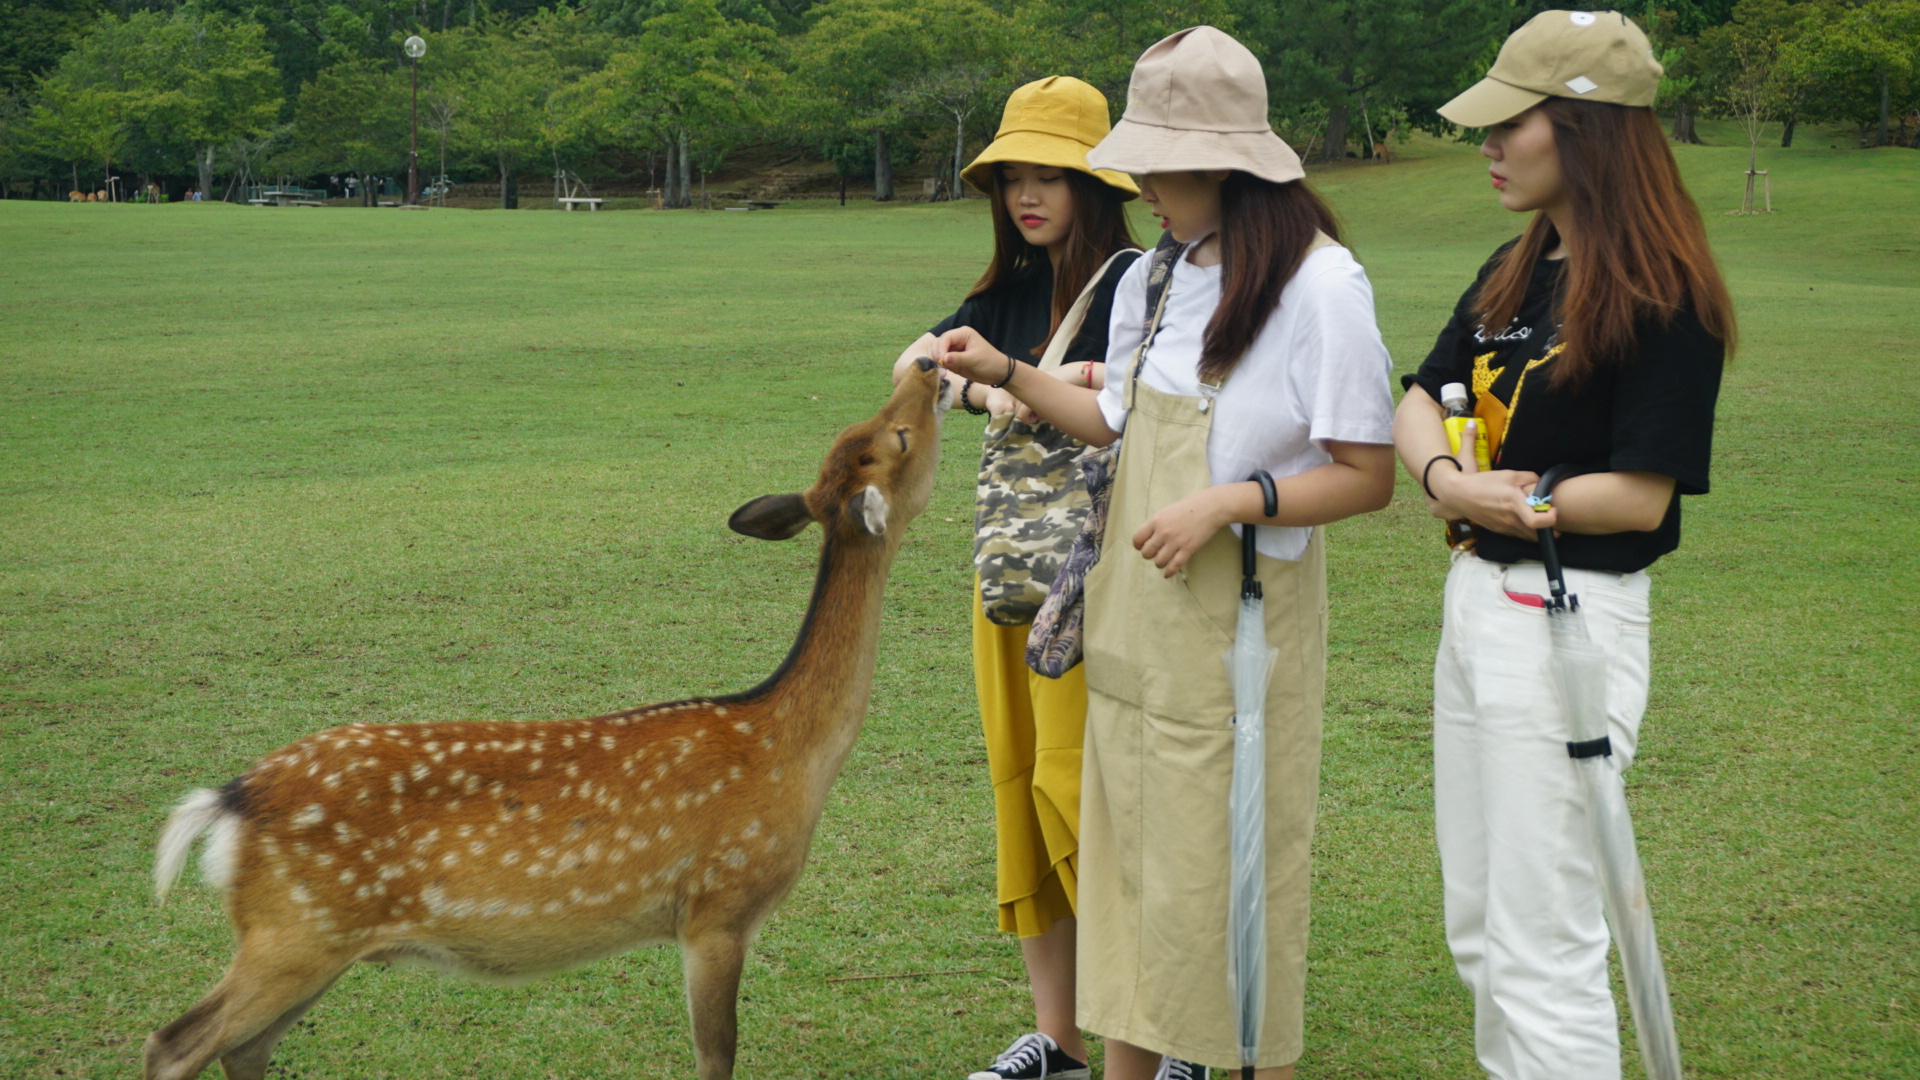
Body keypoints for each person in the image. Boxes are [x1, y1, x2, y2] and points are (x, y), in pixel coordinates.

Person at [940, 27, 1396, 1080]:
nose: (1136, 179)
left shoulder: (1322, 288)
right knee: (1131, 882)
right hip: (1133, 630)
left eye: (1155, 158)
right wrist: (1010, 367)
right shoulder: (1158, 272)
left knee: (1230, 888)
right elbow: (1116, 424)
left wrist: (1229, 501)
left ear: (1225, 160)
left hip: (1238, 642)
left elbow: (1367, 475)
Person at [1391, 12, 1734, 1080]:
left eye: (1511, 124)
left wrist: (1513, 505)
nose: (1488, 146)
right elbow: (1415, 395)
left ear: (1584, 129)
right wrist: (1450, 480)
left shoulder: (1665, 293)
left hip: (1566, 623)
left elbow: (1638, 496)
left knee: (1545, 937)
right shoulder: (1518, 266)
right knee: (1482, 923)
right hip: (1480, 600)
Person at [892, 75, 1143, 1080]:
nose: (1028, 196)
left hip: (1099, 581)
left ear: (1096, 181)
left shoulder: (1135, 281)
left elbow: (1147, 390)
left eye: (1051, 175)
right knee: (1022, 796)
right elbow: (917, 356)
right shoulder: (1003, 288)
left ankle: (1156, 1038)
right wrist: (962, 370)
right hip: (1008, 578)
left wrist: (1025, 379)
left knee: (1090, 796)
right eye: (1012, 179)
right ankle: (1063, 1038)